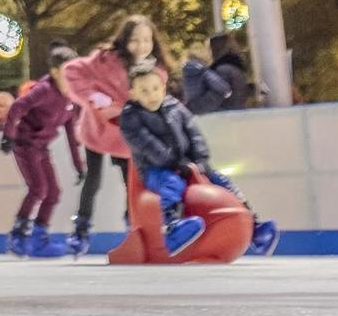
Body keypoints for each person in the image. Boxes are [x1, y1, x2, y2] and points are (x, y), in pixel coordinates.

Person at [118, 63, 280, 257]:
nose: (151, 95)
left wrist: (201, 160)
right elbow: (147, 144)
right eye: (144, 91)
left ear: (163, 88)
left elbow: (194, 133)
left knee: (222, 181)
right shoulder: (130, 117)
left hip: (188, 164)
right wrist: (173, 163)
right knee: (171, 185)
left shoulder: (175, 107)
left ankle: (255, 227)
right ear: (133, 94)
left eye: (155, 89)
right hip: (156, 170)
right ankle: (171, 227)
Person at [59, 14, 170, 255]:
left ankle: (135, 227)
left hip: (128, 135)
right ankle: (81, 228)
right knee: (93, 179)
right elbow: (72, 71)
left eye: (146, 40)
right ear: (124, 39)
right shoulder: (105, 60)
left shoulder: (156, 72)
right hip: (98, 130)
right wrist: (94, 98)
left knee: (131, 182)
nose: (141, 46)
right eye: (135, 40)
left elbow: (157, 102)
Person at [1, 48, 84, 258]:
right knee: (38, 189)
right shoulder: (44, 90)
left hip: (41, 147)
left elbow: (71, 133)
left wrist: (78, 165)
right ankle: (18, 235)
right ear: (55, 71)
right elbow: (17, 107)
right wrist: (8, 135)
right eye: (67, 70)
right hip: (24, 143)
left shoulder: (71, 97)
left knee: (53, 193)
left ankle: (39, 238)